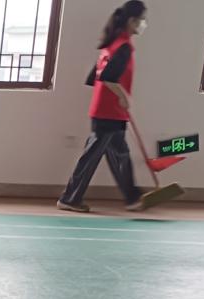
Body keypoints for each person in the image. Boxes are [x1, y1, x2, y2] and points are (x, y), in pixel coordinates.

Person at [58, 1, 148, 214]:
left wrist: (116, 96)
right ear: (131, 21)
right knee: (93, 156)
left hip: (108, 111)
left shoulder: (113, 43)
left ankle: (132, 197)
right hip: (108, 112)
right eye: (142, 20)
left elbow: (94, 76)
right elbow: (107, 77)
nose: (144, 24)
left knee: (120, 153)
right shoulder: (123, 47)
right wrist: (122, 96)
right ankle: (70, 198)